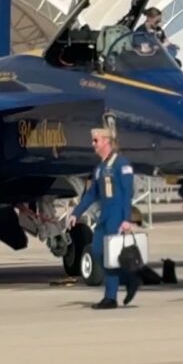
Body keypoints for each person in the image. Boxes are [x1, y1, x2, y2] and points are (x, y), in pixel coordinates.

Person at [67, 127, 141, 309]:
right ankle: (129, 279)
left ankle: (110, 297)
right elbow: (92, 194)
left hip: (117, 215)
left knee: (110, 256)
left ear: (107, 141)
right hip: (104, 216)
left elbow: (126, 194)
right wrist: (76, 213)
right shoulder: (100, 168)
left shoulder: (121, 164)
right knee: (98, 252)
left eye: (96, 140)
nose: (93, 144)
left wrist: (126, 219)